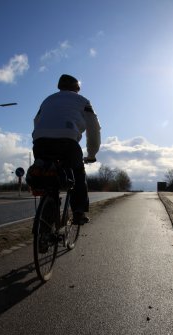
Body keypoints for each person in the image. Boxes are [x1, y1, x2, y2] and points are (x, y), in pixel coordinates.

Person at [32, 74, 101, 224]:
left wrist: (41, 136)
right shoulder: (83, 101)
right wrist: (91, 154)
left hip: (40, 141)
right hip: (68, 142)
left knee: (46, 172)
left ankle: (48, 214)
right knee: (77, 175)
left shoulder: (47, 100)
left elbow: (36, 120)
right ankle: (78, 212)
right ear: (77, 88)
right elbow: (94, 129)